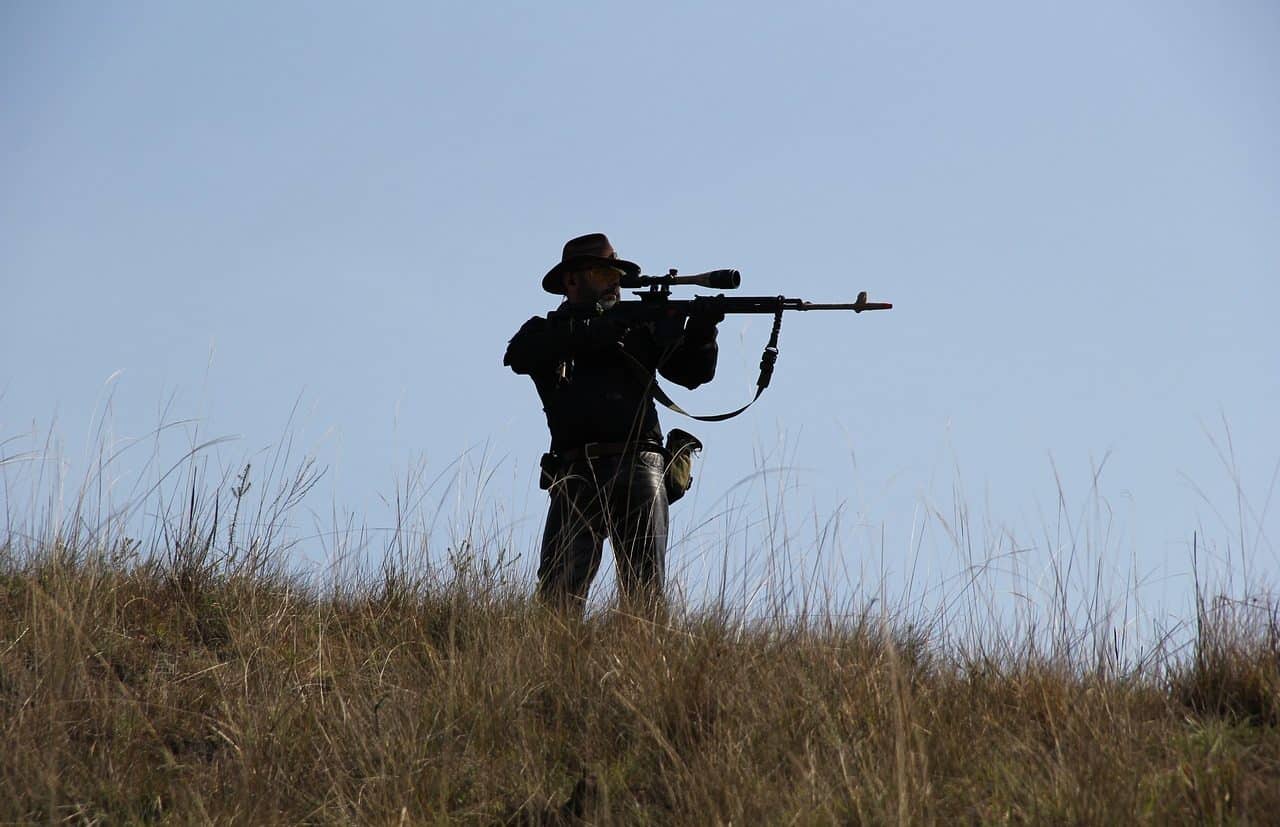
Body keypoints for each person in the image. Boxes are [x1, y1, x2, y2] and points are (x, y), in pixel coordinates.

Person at [503, 233, 723, 614]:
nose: (615, 281)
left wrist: (703, 333)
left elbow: (692, 374)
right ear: (572, 281)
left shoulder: (637, 328)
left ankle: (649, 667)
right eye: (604, 272)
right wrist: (596, 333)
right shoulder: (547, 330)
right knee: (558, 595)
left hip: (641, 465)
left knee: (645, 591)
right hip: (575, 470)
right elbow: (520, 356)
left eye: (615, 273)